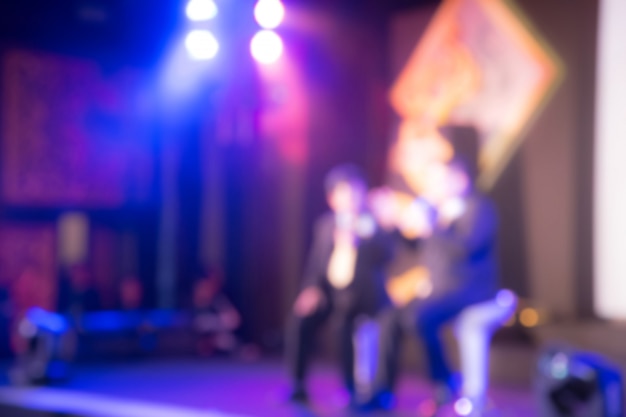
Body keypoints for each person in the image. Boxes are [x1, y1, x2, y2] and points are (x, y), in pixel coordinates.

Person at [285, 164, 394, 404]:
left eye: (355, 192)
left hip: (362, 297)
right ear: (331, 198)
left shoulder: (373, 224)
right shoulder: (326, 224)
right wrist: (311, 289)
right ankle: (297, 385)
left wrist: (363, 239)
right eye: (343, 193)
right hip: (330, 293)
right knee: (301, 319)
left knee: (345, 324)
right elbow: (315, 263)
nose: (350, 199)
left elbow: (387, 255)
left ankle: (352, 390)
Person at [414, 156, 500, 410]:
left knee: (421, 316)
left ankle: (447, 383)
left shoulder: (479, 208)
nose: (436, 186)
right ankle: (442, 381)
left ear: (460, 179)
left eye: (442, 180)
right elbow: (432, 254)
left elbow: (466, 247)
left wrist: (435, 228)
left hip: (474, 290)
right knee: (404, 317)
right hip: (447, 288)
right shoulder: (441, 212)